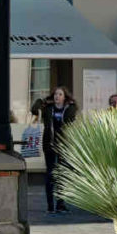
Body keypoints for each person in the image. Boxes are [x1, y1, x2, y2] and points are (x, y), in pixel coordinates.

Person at [40, 86, 78, 216]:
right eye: (55, 94)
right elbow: (34, 110)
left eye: (60, 94)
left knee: (62, 174)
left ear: (64, 97)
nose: (57, 96)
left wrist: (68, 106)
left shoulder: (70, 109)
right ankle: (50, 206)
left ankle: (61, 204)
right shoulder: (48, 109)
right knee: (50, 174)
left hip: (63, 145)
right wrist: (43, 100)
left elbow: (69, 120)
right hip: (49, 145)